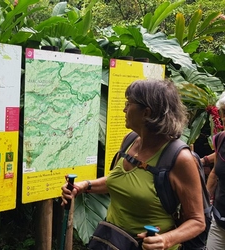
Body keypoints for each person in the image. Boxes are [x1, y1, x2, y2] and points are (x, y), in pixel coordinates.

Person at [61, 79, 205, 250]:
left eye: (128, 104)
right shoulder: (130, 141)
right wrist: (84, 186)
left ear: (146, 112)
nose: (124, 109)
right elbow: (121, 181)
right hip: (112, 241)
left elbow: (197, 221)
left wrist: (166, 240)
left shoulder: (180, 159)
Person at [206, 85, 225, 249]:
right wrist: (204, 205)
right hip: (220, 221)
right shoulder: (221, 140)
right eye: (224, 113)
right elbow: (216, 171)